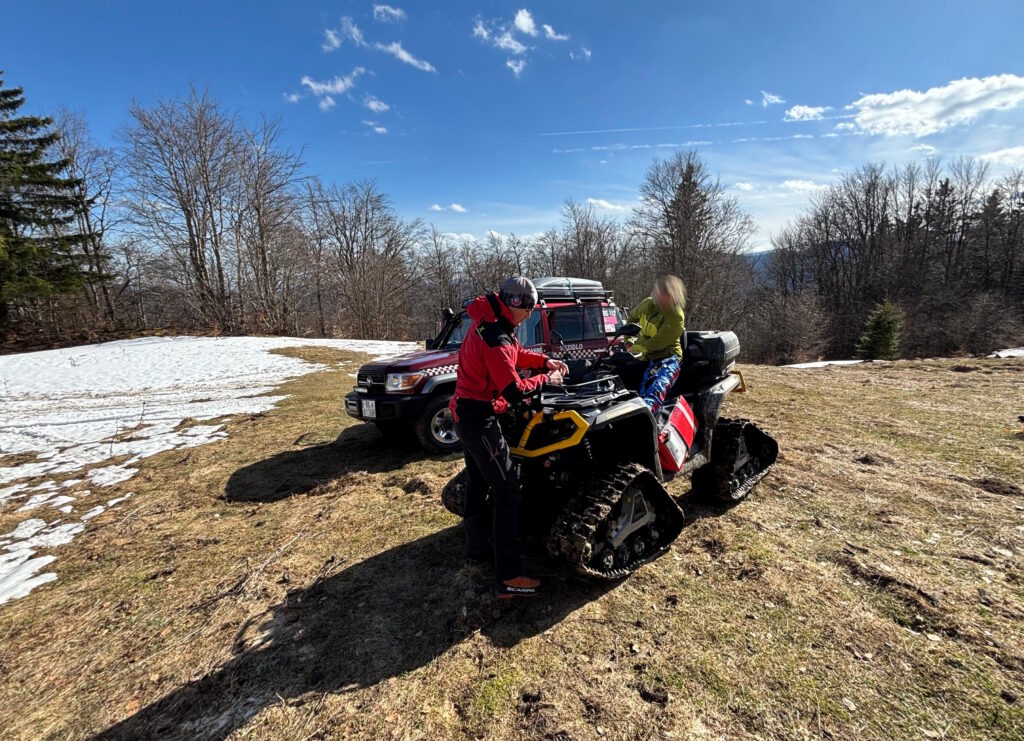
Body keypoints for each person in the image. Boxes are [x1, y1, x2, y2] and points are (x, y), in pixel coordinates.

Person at [449, 276, 569, 598]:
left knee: (477, 481)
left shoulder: (490, 320)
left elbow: (516, 355)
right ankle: (509, 576)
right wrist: (548, 378)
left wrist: (544, 361)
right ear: (516, 305)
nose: (530, 315)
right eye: (528, 309)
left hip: (464, 411)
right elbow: (514, 390)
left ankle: (477, 548)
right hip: (478, 418)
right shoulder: (497, 336)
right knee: (507, 488)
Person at [625, 275, 686, 415]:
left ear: (673, 296)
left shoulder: (676, 315)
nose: (659, 297)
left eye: (664, 295)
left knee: (655, 387)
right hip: (641, 354)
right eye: (658, 293)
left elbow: (658, 343)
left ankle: (644, 419)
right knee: (616, 379)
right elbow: (632, 318)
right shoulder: (648, 304)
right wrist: (628, 340)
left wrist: (635, 348)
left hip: (667, 358)